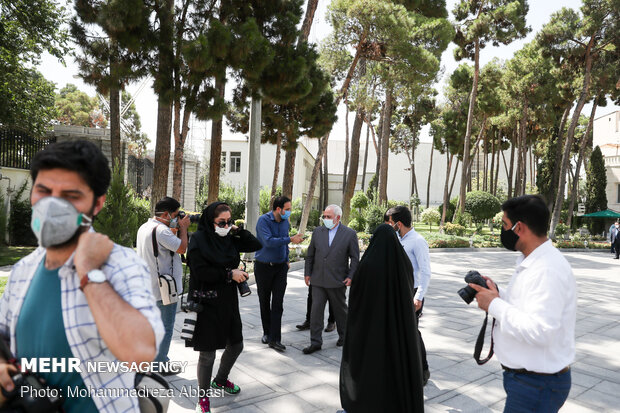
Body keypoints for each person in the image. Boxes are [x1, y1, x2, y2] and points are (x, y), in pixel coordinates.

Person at [0, 140, 164, 412]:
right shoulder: (23, 270)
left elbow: (141, 354)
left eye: (70, 196)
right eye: (43, 191)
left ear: (97, 204)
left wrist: (89, 271)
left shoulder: (121, 264)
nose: (52, 205)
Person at [469, 195, 576, 413]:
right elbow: (525, 306)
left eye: (505, 225)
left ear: (520, 228)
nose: (503, 231)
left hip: (537, 384)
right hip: (528, 381)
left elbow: (541, 331)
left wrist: (495, 305)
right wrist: (499, 294)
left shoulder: (547, 270)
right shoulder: (534, 262)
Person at [339, 224, 424, 413]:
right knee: (393, 367)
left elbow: (355, 299)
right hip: (396, 329)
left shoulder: (367, 265)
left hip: (369, 331)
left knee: (369, 368)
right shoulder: (403, 263)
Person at [186, 202, 262, 413]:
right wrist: (229, 274)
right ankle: (202, 398)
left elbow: (256, 245)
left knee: (236, 345)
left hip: (228, 301)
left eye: (229, 222)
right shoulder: (198, 240)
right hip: (207, 302)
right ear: (210, 222)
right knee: (207, 354)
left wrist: (237, 229)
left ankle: (220, 380)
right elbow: (200, 272)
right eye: (222, 222)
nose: (226, 226)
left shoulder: (230, 238)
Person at [137, 196, 190, 367]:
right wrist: (183, 229)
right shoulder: (162, 231)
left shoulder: (145, 227)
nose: (177, 219)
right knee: (166, 327)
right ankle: (160, 363)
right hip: (164, 289)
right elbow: (182, 248)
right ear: (166, 214)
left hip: (148, 286)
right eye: (175, 215)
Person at [302, 205, 359, 354]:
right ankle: (315, 342)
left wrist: (351, 276)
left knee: (340, 312)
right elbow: (310, 255)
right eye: (324, 216)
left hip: (338, 280)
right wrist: (307, 273)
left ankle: (344, 337)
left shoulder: (349, 234)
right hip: (318, 280)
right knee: (316, 312)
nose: (325, 219)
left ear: (338, 218)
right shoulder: (317, 232)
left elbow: (355, 258)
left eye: (328, 217)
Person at [386, 205, 431, 385]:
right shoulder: (397, 238)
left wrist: (419, 296)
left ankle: (423, 370)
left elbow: (425, 271)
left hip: (412, 293)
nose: (388, 226)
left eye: (390, 222)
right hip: (398, 291)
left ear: (398, 223)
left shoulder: (418, 241)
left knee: (412, 332)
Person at [254, 196, 304, 352]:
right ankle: (267, 332)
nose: (289, 212)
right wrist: (290, 239)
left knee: (278, 303)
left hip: (280, 267)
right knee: (264, 300)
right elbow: (268, 241)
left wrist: (287, 258)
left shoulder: (284, 222)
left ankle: (275, 339)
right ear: (278, 209)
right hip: (263, 267)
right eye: (287, 209)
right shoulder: (263, 221)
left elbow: (283, 244)